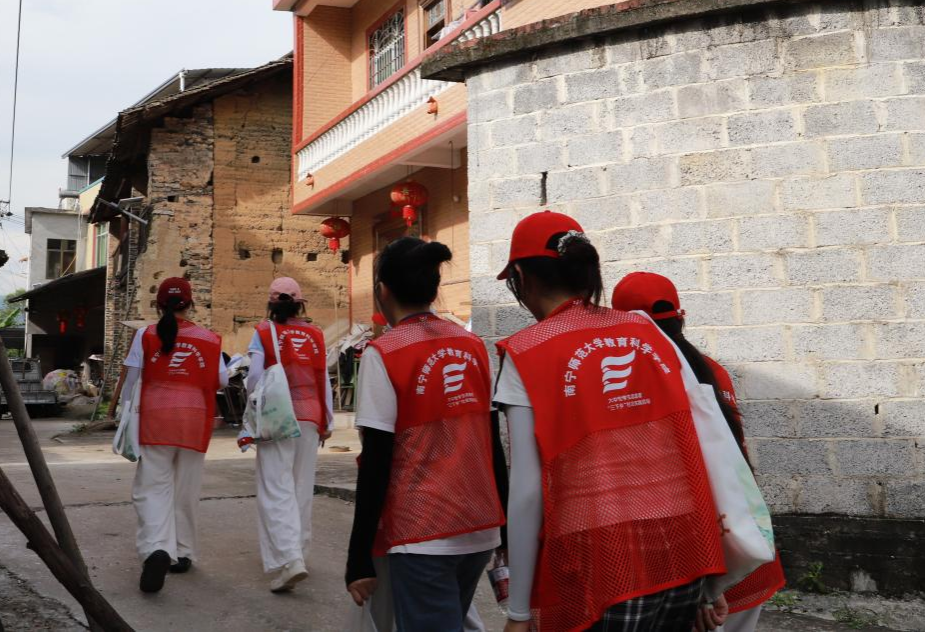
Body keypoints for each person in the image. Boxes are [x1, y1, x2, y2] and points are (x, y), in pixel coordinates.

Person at [493, 211, 728, 632]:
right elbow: (705, 440)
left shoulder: (524, 352)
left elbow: (526, 491)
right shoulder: (646, 329)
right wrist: (714, 578)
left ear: (521, 278)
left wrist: (519, 612)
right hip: (685, 549)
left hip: (601, 559)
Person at [346, 237, 506, 632]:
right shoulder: (473, 345)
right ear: (434, 289)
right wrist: (504, 528)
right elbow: (493, 445)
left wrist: (358, 557)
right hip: (480, 529)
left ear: (383, 290)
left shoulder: (384, 353)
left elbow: (377, 461)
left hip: (423, 533)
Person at [611, 272, 786, 632]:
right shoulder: (711, 369)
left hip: (704, 574)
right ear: (682, 317)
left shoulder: (640, 386)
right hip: (749, 552)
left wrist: (703, 587)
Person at [110, 277, 226, 595]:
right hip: (194, 420)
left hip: (155, 420)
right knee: (186, 489)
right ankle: (183, 552)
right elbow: (221, 380)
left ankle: (157, 548)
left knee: (151, 489)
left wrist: (124, 417)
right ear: (190, 304)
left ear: (158, 304)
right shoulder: (209, 339)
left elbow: (132, 381)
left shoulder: (146, 335)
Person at [244, 276, 334, 592]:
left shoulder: (264, 332)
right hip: (310, 415)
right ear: (300, 304)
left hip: (277, 416)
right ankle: (300, 551)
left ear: (271, 303)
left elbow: (254, 376)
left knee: (275, 487)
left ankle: (289, 558)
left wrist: (253, 405)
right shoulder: (316, 334)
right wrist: (327, 421)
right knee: (301, 487)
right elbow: (323, 380)